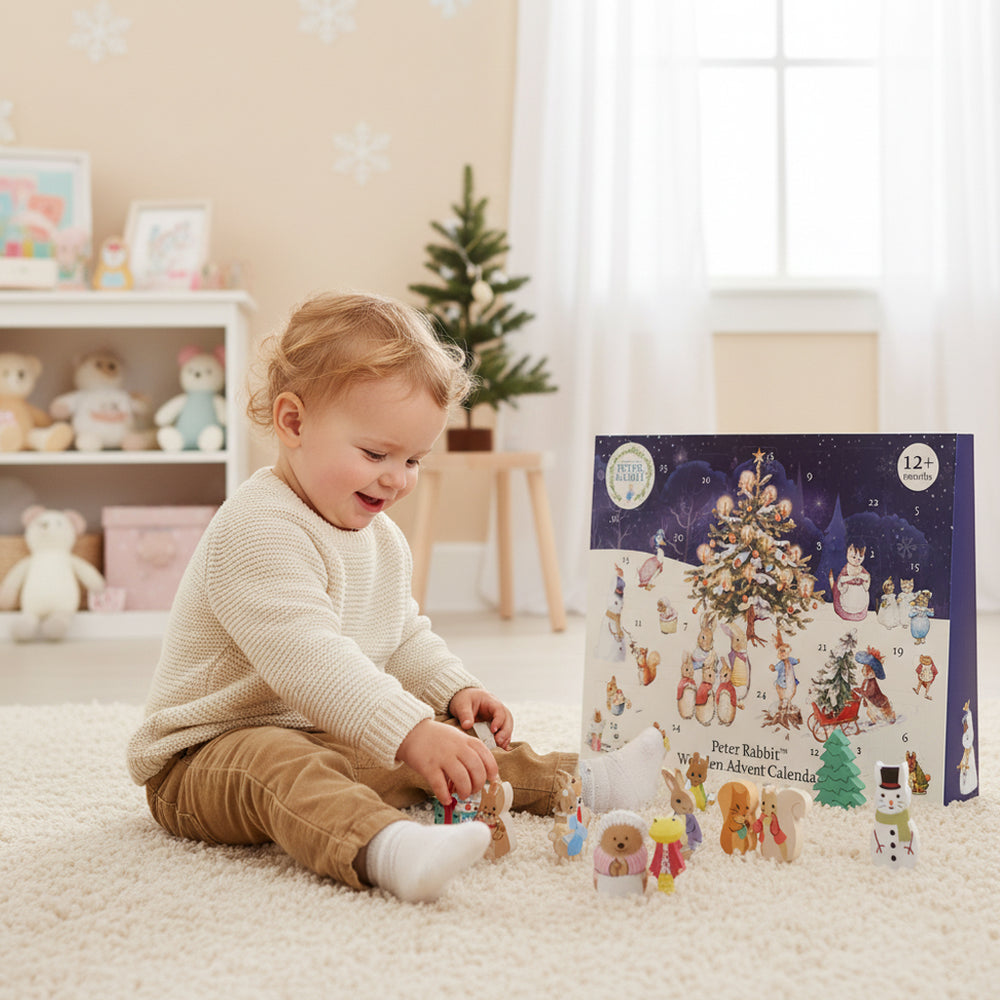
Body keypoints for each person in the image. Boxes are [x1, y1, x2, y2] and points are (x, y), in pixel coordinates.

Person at [127, 292, 664, 903]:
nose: (397, 477)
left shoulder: (379, 536)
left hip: (321, 732)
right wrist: (409, 730)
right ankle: (387, 848)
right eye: (376, 454)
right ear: (293, 423)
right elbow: (311, 661)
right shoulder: (256, 529)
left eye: (413, 459)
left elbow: (401, 632)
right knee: (288, 758)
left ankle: (587, 780)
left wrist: (452, 690)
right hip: (207, 757)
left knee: (452, 745)